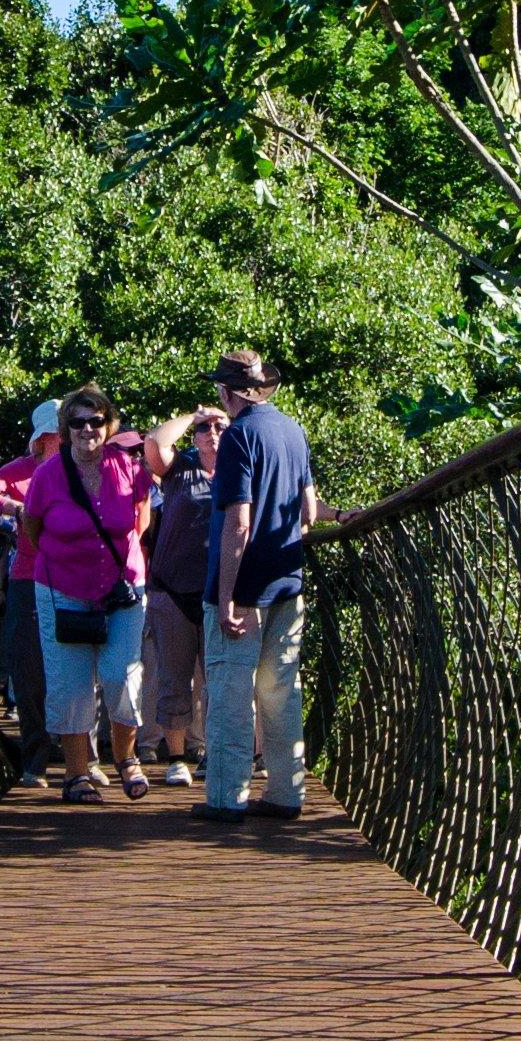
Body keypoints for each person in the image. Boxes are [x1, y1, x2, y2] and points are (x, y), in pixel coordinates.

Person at [15, 385, 154, 803]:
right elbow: (34, 529)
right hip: (62, 589)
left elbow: (140, 522)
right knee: (70, 685)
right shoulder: (47, 475)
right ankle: (75, 773)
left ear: (108, 425)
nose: (86, 429)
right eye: (77, 422)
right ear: (66, 428)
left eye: (95, 421)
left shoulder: (128, 468)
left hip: (121, 588)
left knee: (121, 675)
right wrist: (69, 561)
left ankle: (126, 758)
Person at [201, 348, 319, 820]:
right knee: (281, 690)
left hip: (245, 588)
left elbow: (238, 525)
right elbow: (308, 512)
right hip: (288, 581)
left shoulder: (239, 438)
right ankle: (287, 794)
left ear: (228, 392)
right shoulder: (294, 431)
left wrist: (229, 596)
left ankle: (227, 799)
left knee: (231, 690)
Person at [0, 407, 54, 784]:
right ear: (42, 439)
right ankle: (36, 760)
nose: (74, 436)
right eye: (63, 431)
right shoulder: (26, 467)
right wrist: (16, 508)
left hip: (77, 578)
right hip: (29, 577)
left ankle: (84, 759)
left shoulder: (88, 466)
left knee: (81, 670)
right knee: (30, 670)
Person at [140, 405, 224, 786]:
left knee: (219, 680)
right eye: (205, 429)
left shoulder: (242, 470)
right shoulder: (180, 469)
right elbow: (155, 442)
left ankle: (212, 751)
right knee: (174, 679)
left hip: (221, 593)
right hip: (172, 590)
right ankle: (176, 758)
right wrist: (194, 416)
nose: (212, 433)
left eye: (219, 427)